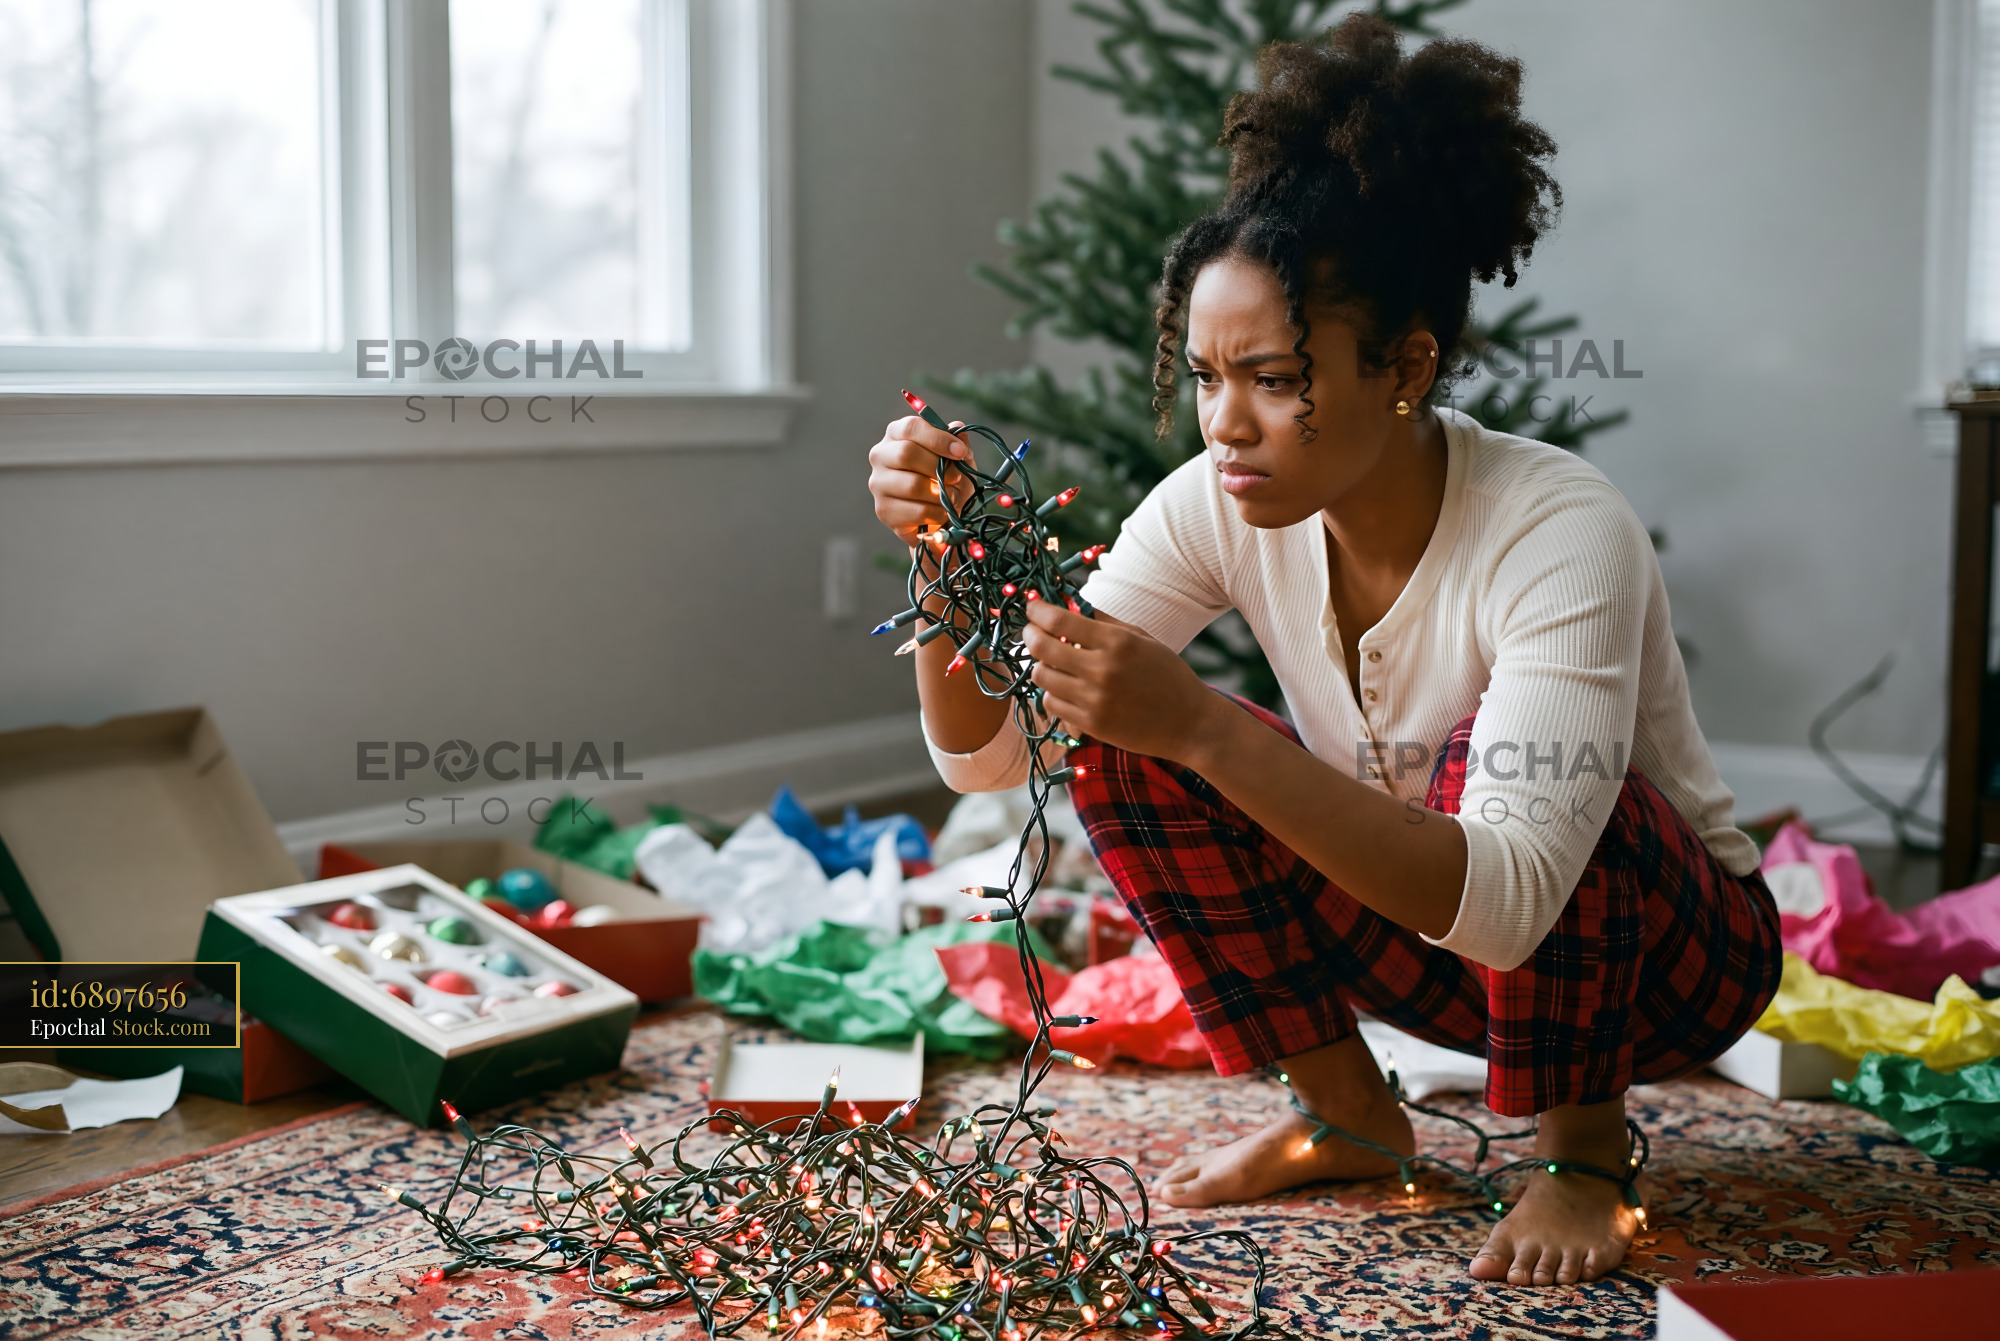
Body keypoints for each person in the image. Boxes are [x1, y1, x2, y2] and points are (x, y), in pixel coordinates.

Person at [865, 15, 1780, 1288]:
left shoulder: (1558, 524)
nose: (1225, 425)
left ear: (1404, 366)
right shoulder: (1215, 499)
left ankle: (1580, 1148)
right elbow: (995, 757)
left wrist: (1199, 721)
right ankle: (1348, 1115)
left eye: (1275, 378)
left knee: (1502, 777)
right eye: (1202, 377)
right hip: (1443, 948)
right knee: (1123, 755)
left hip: (1655, 967)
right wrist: (940, 559)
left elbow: (1515, 897)